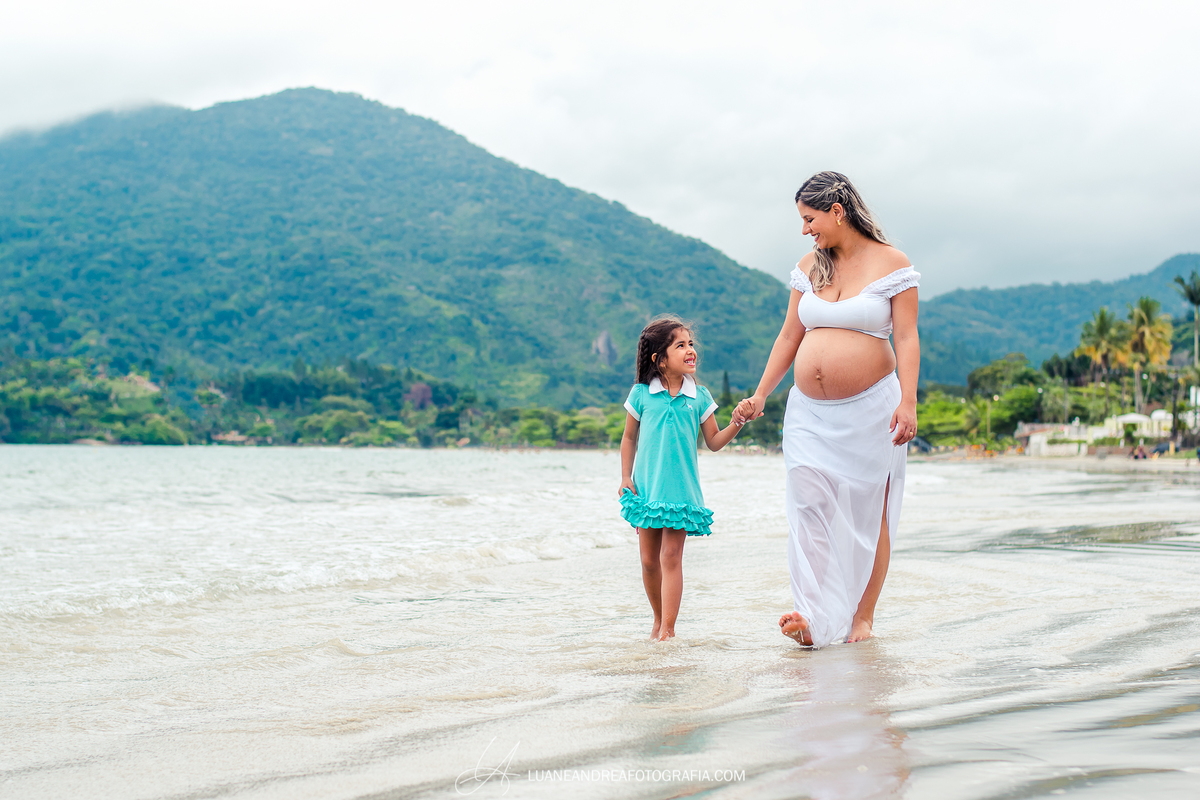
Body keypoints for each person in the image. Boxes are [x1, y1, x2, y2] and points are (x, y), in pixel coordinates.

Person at [737, 171, 920, 647]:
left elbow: (906, 336)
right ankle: (812, 617)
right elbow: (788, 336)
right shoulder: (810, 266)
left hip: (870, 411)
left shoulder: (892, 264)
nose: (805, 230)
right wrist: (760, 394)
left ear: (837, 211)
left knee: (869, 511)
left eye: (809, 218)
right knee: (807, 502)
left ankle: (861, 618)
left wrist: (909, 400)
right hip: (807, 415)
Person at [618, 316, 746, 641]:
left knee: (670, 557)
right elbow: (629, 438)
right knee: (649, 562)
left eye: (690, 344)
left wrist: (737, 423)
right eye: (681, 345)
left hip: (680, 490)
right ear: (659, 360)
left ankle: (668, 631)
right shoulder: (642, 394)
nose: (690, 350)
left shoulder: (699, 396)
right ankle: (658, 620)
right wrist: (625, 477)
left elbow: (714, 441)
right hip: (646, 488)